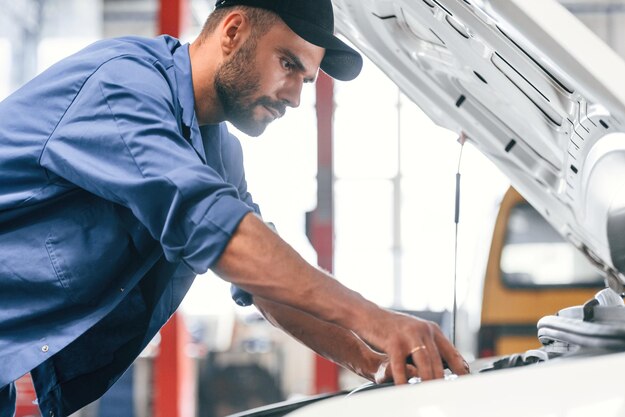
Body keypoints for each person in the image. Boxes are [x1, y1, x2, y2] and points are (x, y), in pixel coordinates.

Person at [0, 0, 469, 415]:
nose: (295, 96)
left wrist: (371, 361)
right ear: (233, 32)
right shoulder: (124, 86)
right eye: (288, 64)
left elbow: (264, 285)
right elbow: (215, 227)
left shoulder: (217, 152)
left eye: (306, 79)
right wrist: (379, 321)